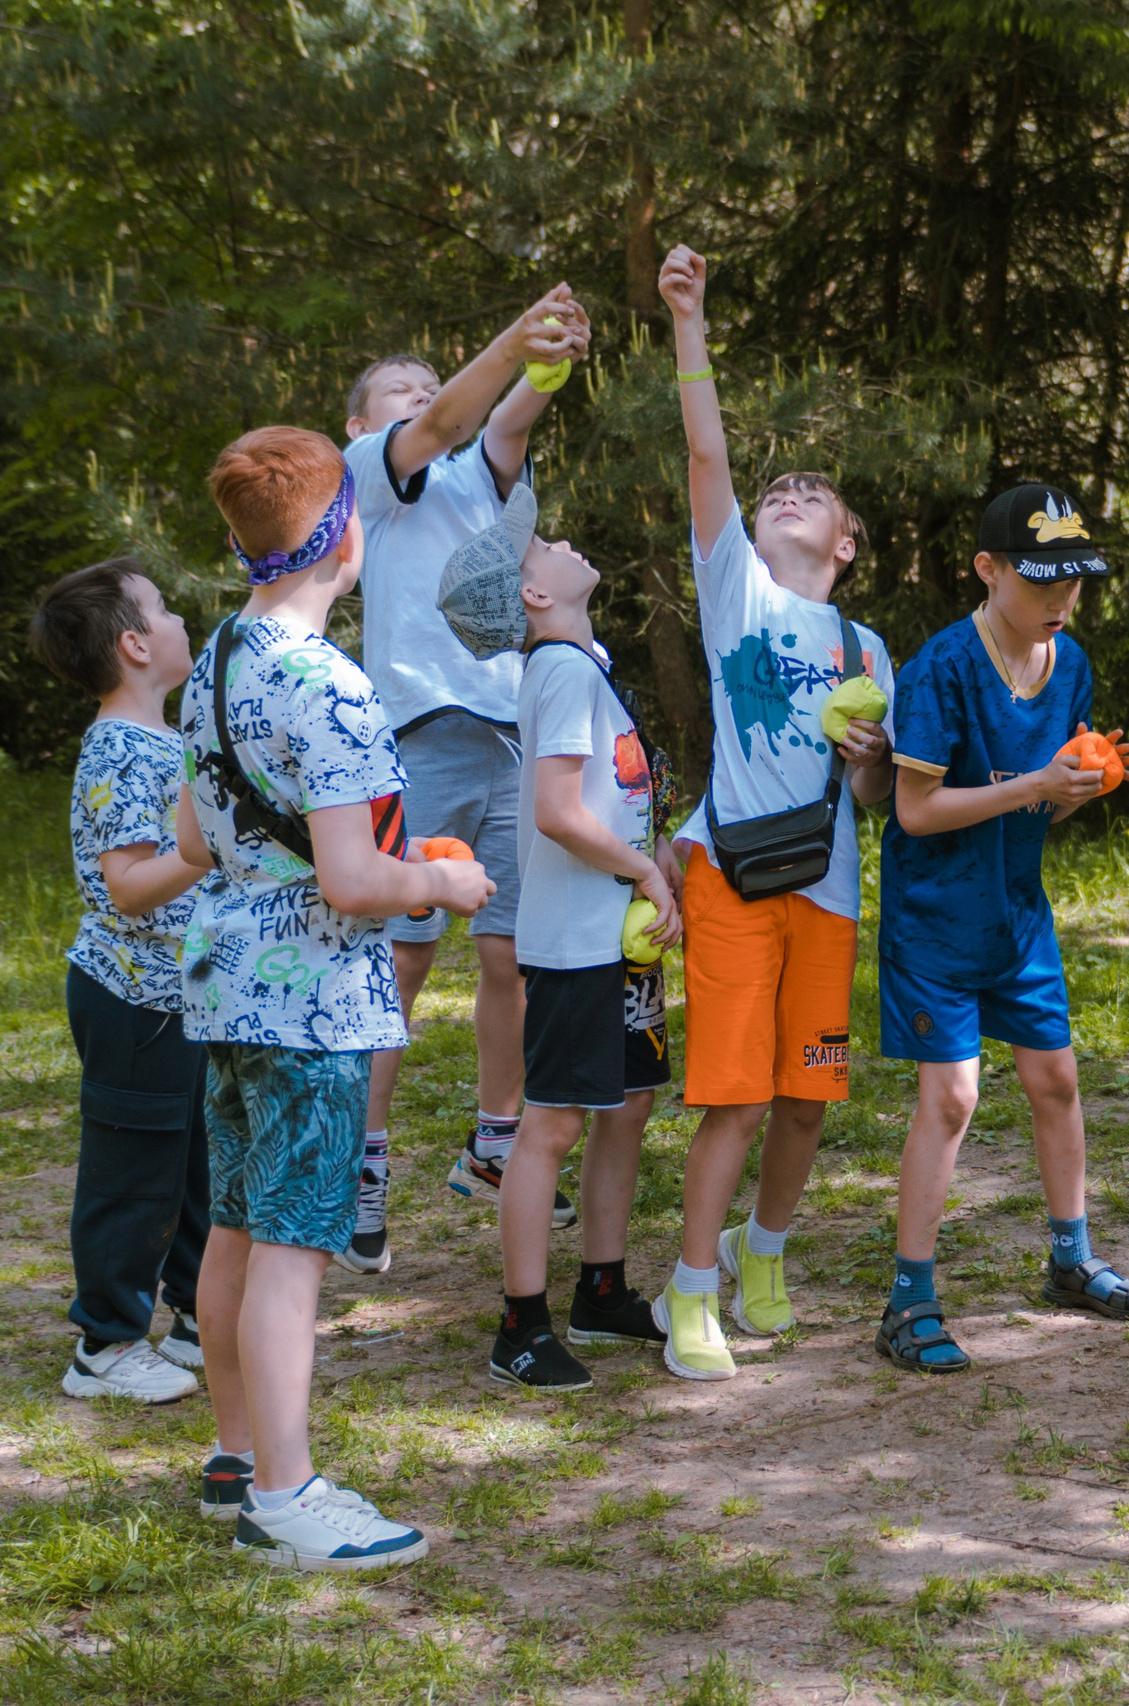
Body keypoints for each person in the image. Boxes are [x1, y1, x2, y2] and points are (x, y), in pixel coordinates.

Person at [180, 425, 493, 1569]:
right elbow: (357, 882)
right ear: (347, 539)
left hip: (226, 988)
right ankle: (287, 1494)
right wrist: (443, 882)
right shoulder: (332, 685)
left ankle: (235, 1455)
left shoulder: (216, 660)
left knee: (234, 1225)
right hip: (312, 1004)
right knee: (293, 1245)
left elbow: (194, 837)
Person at [653, 243, 896, 1382]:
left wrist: (871, 759)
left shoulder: (867, 647)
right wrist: (688, 319)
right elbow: (707, 452)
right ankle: (690, 1288)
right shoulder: (736, 594)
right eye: (774, 494)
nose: (785, 495)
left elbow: (874, 799)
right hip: (733, 878)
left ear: (843, 545)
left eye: (813, 496)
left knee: (805, 1098)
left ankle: (764, 1254)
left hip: (828, 889)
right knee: (738, 1097)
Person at [871, 482, 1129, 1373]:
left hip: (1015, 915)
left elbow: (1042, 806)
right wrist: (1035, 784)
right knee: (952, 1098)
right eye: (1042, 581)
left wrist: (1081, 786)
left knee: (1056, 1082)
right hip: (933, 919)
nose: (1062, 599)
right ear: (987, 570)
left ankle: (1071, 1261)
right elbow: (915, 810)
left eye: (1074, 581)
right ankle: (908, 1300)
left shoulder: (1070, 666)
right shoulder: (941, 667)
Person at [342, 288, 591, 1274]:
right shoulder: (376, 474)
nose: (423, 394)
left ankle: (494, 1141)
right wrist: (513, 341)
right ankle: (360, 1162)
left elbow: (504, 420)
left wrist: (550, 357)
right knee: (402, 961)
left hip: (508, 732)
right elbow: (448, 418)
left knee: (511, 955)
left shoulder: (477, 475)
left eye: (428, 381)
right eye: (400, 390)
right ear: (361, 427)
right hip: (418, 736)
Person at [434, 486, 681, 1392]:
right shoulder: (565, 673)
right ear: (534, 595)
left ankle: (602, 1291)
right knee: (553, 1125)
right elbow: (558, 813)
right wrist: (646, 873)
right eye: (540, 547)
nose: (560, 542)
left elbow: (612, 795)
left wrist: (654, 855)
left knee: (628, 1104)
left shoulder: (581, 663)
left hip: (616, 940)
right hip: (578, 944)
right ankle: (521, 1327)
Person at [31, 560, 214, 1405]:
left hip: (182, 998)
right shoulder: (119, 748)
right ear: (137, 645)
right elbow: (128, 886)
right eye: (162, 608)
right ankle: (104, 1345)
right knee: (133, 1171)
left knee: (194, 1162)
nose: (180, 618)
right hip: (132, 999)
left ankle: (197, 1316)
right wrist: (203, 852)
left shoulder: (164, 742)